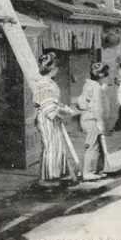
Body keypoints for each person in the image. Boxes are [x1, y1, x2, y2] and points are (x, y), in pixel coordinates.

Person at [33, 52, 78, 187]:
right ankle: (48, 178)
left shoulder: (48, 82)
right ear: (51, 69)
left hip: (51, 116)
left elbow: (54, 103)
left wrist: (65, 110)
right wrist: (60, 112)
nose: (57, 70)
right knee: (51, 147)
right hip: (47, 118)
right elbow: (48, 105)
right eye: (56, 67)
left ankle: (56, 174)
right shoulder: (44, 84)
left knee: (56, 146)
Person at [76, 62, 110, 181]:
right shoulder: (96, 87)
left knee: (97, 145)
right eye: (106, 75)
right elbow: (97, 107)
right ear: (101, 76)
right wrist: (100, 121)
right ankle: (88, 171)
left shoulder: (89, 84)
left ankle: (97, 169)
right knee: (92, 145)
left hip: (88, 118)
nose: (107, 77)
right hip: (92, 119)